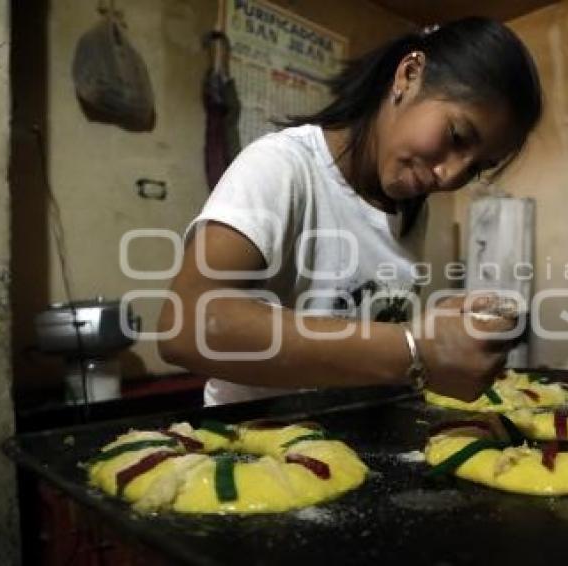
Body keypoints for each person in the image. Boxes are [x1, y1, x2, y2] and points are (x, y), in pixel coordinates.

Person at [157, 17, 543, 406]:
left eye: (476, 167)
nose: (450, 175)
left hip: (352, 448)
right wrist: (415, 348)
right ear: (408, 76)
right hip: (260, 449)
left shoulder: (409, 209)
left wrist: (438, 326)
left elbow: (368, 331)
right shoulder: (284, 167)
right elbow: (188, 326)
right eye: (457, 136)